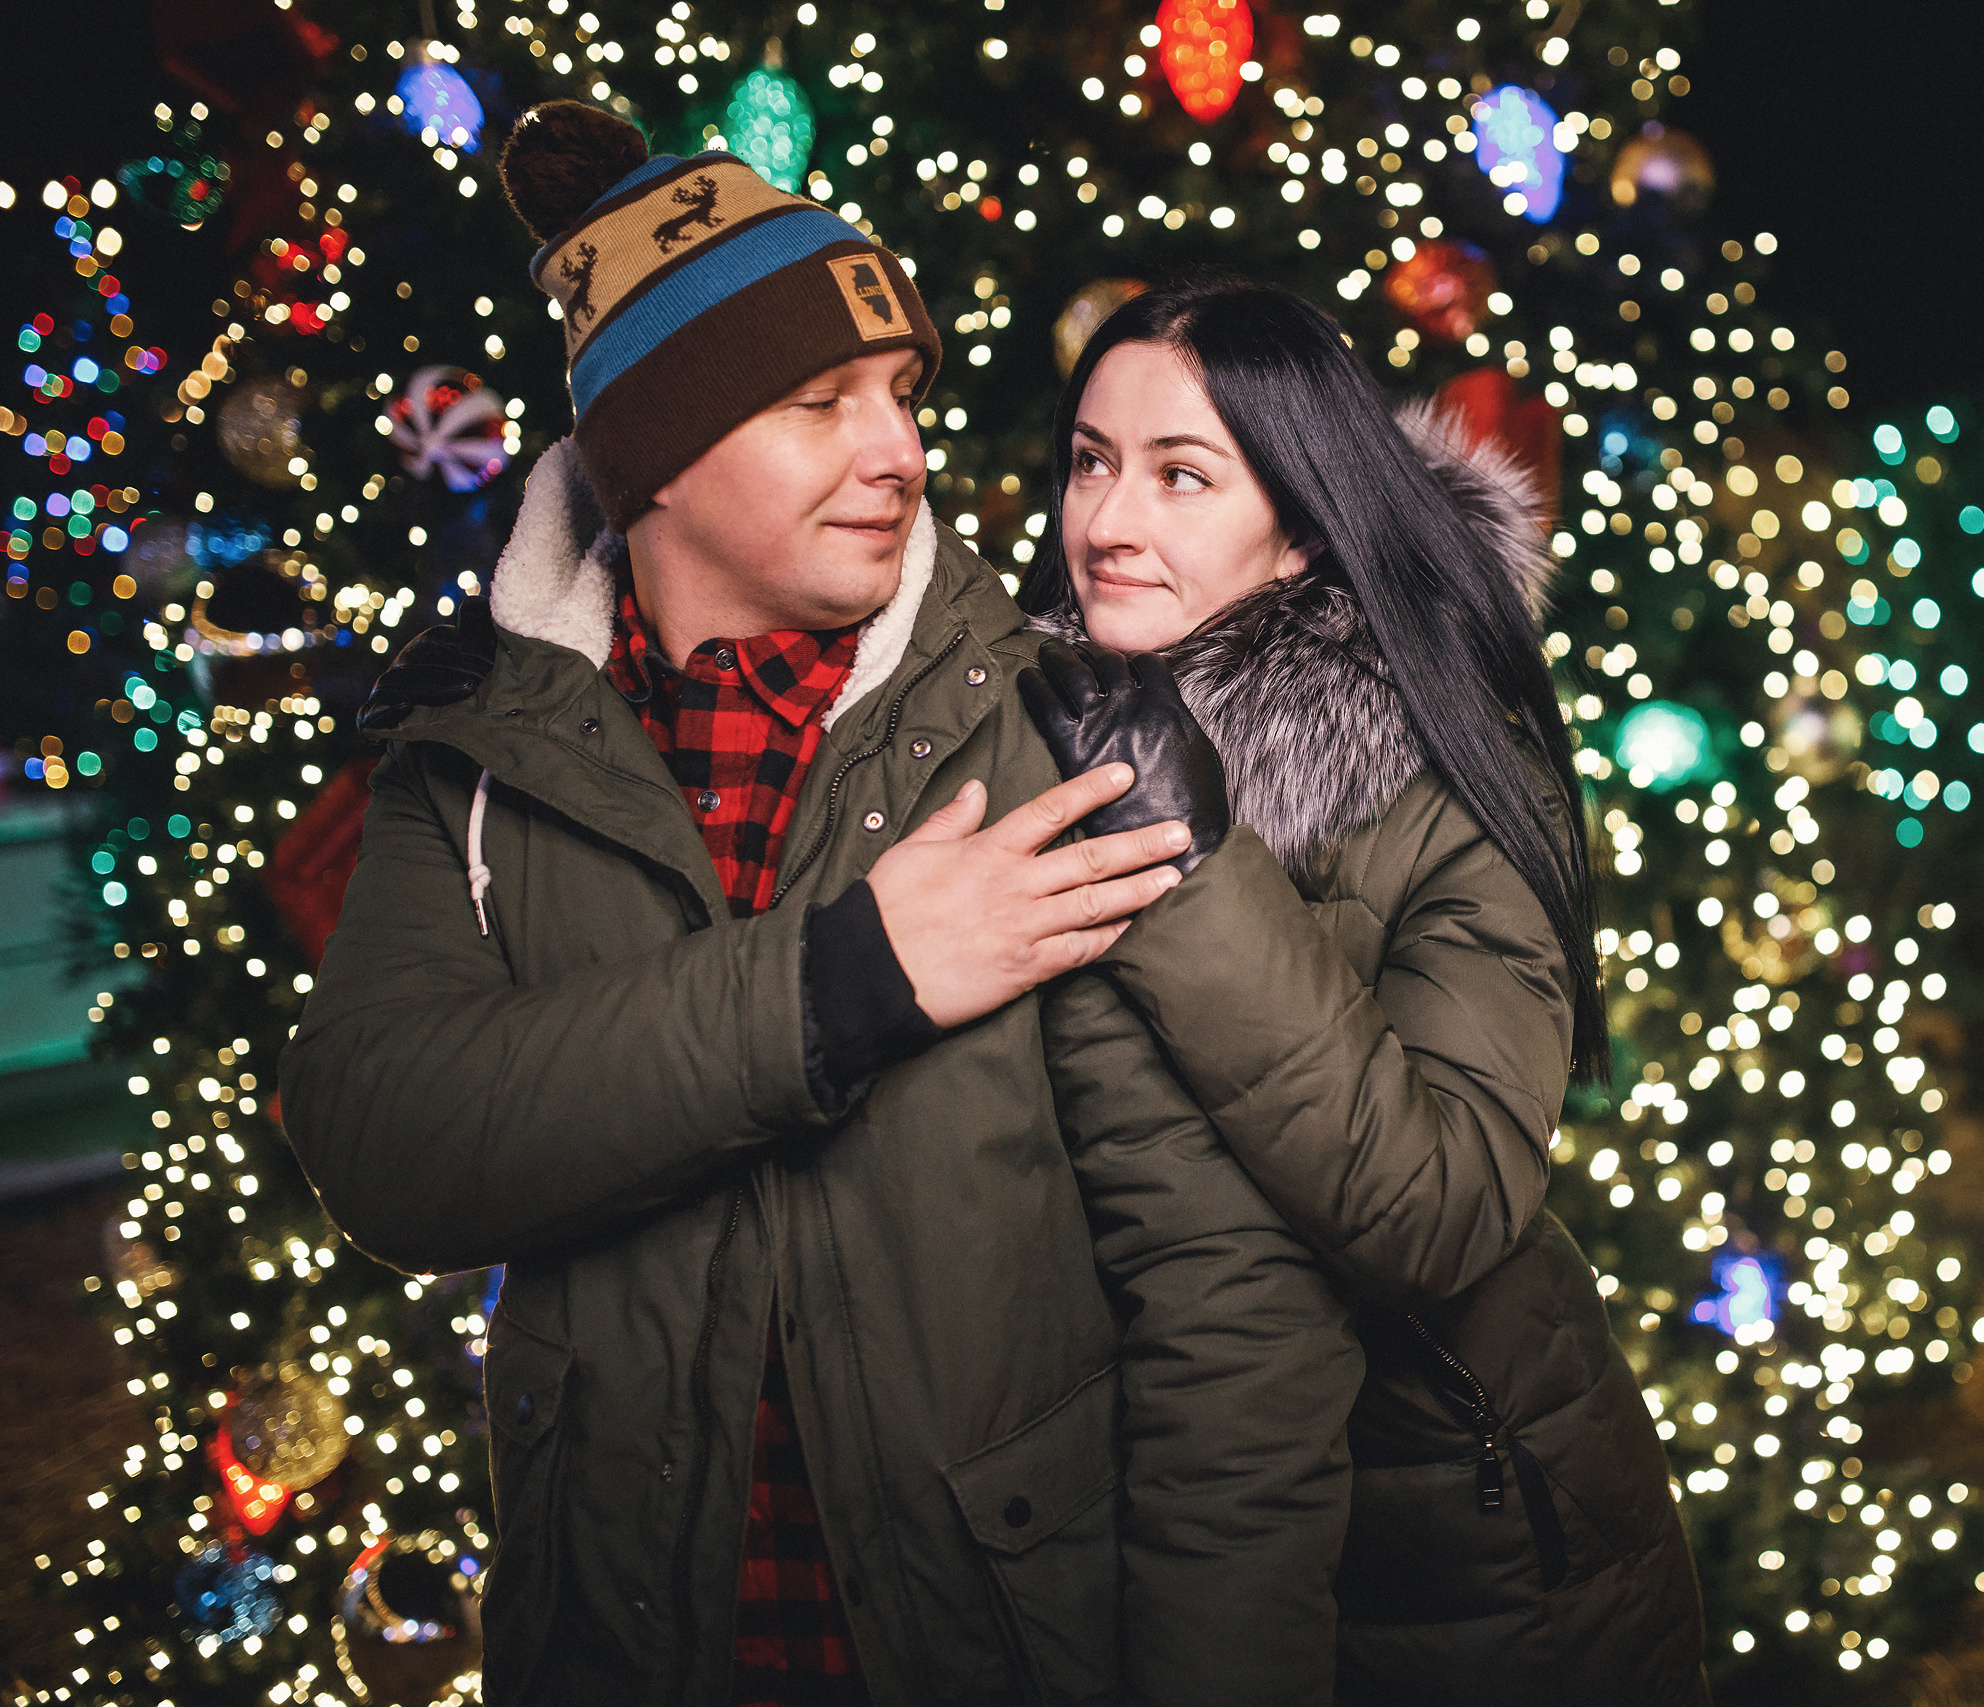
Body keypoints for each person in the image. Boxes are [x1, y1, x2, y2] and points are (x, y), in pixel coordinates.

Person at [280, 107, 1359, 1707]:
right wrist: (844, 981)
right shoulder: (479, 764)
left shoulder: (1056, 733)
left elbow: (1232, 1314)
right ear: (656, 452)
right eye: (819, 402)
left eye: (902, 394)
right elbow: (384, 1141)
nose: (900, 451)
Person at [1015, 279, 1713, 1705]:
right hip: (1119, 1542)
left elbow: (1443, 1204)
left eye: (1182, 474)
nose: (1108, 522)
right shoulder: (1028, 730)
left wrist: (1188, 859)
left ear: (1307, 524)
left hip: (1465, 1564)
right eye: (1091, 462)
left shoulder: (1443, 771)